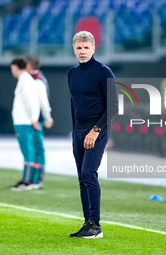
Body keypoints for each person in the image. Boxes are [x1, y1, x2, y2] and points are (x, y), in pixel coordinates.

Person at [68, 31, 118, 239]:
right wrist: (75, 131)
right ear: (74, 49)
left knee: (89, 173)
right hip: (78, 131)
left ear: (93, 48)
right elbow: (74, 103)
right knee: (82, 178)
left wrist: (96, 130)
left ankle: (96, 226)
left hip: (97, 130)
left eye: (86, 47)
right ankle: (87, 222)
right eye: (79, 48)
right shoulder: (72, 73)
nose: (82, 51)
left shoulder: (103, 72)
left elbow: (113, 105)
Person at [9, 57, 41, 191]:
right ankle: (29, 179)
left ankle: (26, 181)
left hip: (24, 121)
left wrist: (33, 118)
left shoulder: (25, 81)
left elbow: (31, 101)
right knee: (29, 150)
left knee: (27, 151)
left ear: (15, 68)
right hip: (24, 121)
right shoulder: (27, 80)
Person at [25, 56, 54, 189]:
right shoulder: (35, 79)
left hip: (37, 120)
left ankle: (37, 179)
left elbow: (43, 102)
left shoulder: (38, 81)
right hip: (33, 120)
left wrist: (47, 117)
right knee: (32, 148)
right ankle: (31, 179)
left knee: (37, 148)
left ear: (30, 66)